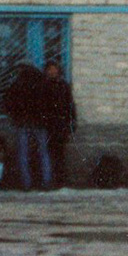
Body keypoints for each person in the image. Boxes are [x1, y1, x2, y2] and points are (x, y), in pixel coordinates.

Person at [3, 63, 53, 191]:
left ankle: (26, 184)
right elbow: (49, 104)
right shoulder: (43, 84)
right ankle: (46, 182)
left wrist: (15, 116)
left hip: (23, 122)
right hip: (39, 123)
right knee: (43, 152)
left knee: (23, 153)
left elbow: (8, 102)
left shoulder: (18, 84)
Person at [42, 61, 77, 189]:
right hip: (47, 125)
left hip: (60, 125)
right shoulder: (43, 86)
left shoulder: (63, 86)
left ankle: (59, 181)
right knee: (47, 154)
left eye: (54, 69)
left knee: (59, 154)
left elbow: (70, 105)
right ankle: (49, 181)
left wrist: (72, 122)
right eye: (49, 69)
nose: (52, 72)